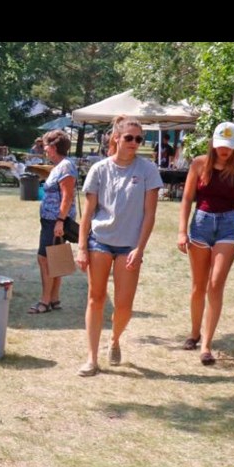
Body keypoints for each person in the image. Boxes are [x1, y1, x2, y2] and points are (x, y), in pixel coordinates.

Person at [75, 115, 163, 377]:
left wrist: (140, 248)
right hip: (99, 241)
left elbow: (149, 214)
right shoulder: (100, 169)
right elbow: (88, 214)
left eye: (139, 139)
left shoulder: (148, 170)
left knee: (124, 305)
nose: (134, 143)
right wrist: (81, 247)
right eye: (129, 138)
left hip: (129, 247)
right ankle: (91, 358)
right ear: (116, 138)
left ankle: (114, 340)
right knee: (96, 298)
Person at [177, 121, 234, 365]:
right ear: (213, 142)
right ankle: (194, 332)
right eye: (221, 145)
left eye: (229, 146)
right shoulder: (200, 163)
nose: (225, 150)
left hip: (228, 224)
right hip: (201, 222)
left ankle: (207, 346)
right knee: (198, 285)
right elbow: (187, 198)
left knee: (215, 283)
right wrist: (181, 231)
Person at [28, 129, 77, 314]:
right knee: (54, 258)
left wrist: (59, 221)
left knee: (45, 259)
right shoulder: (60, 166)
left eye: (46, 146)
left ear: (54, 147)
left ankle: (45, 301)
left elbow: (67, 196)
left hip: (55, 221)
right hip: (52, 220)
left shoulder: (65, 167)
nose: (44, 149)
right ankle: (54, 298)